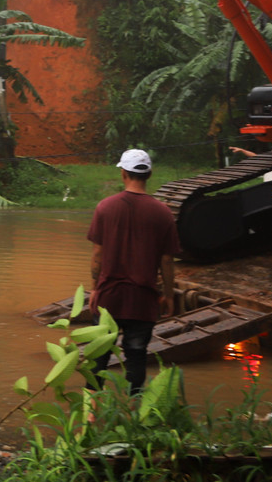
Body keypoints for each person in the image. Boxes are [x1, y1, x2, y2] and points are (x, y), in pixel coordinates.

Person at [87, 148, 180, 394]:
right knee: (136, 355)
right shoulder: (163, 213)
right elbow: (167, 260)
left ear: (123, 174)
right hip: (143, 299)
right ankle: (134, 407)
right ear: (149, 174)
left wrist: (95, 290)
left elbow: (97, 255)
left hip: (109, 297)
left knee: (98, 356)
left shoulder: (105, 207)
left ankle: (90, 409)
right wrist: (168, 295)